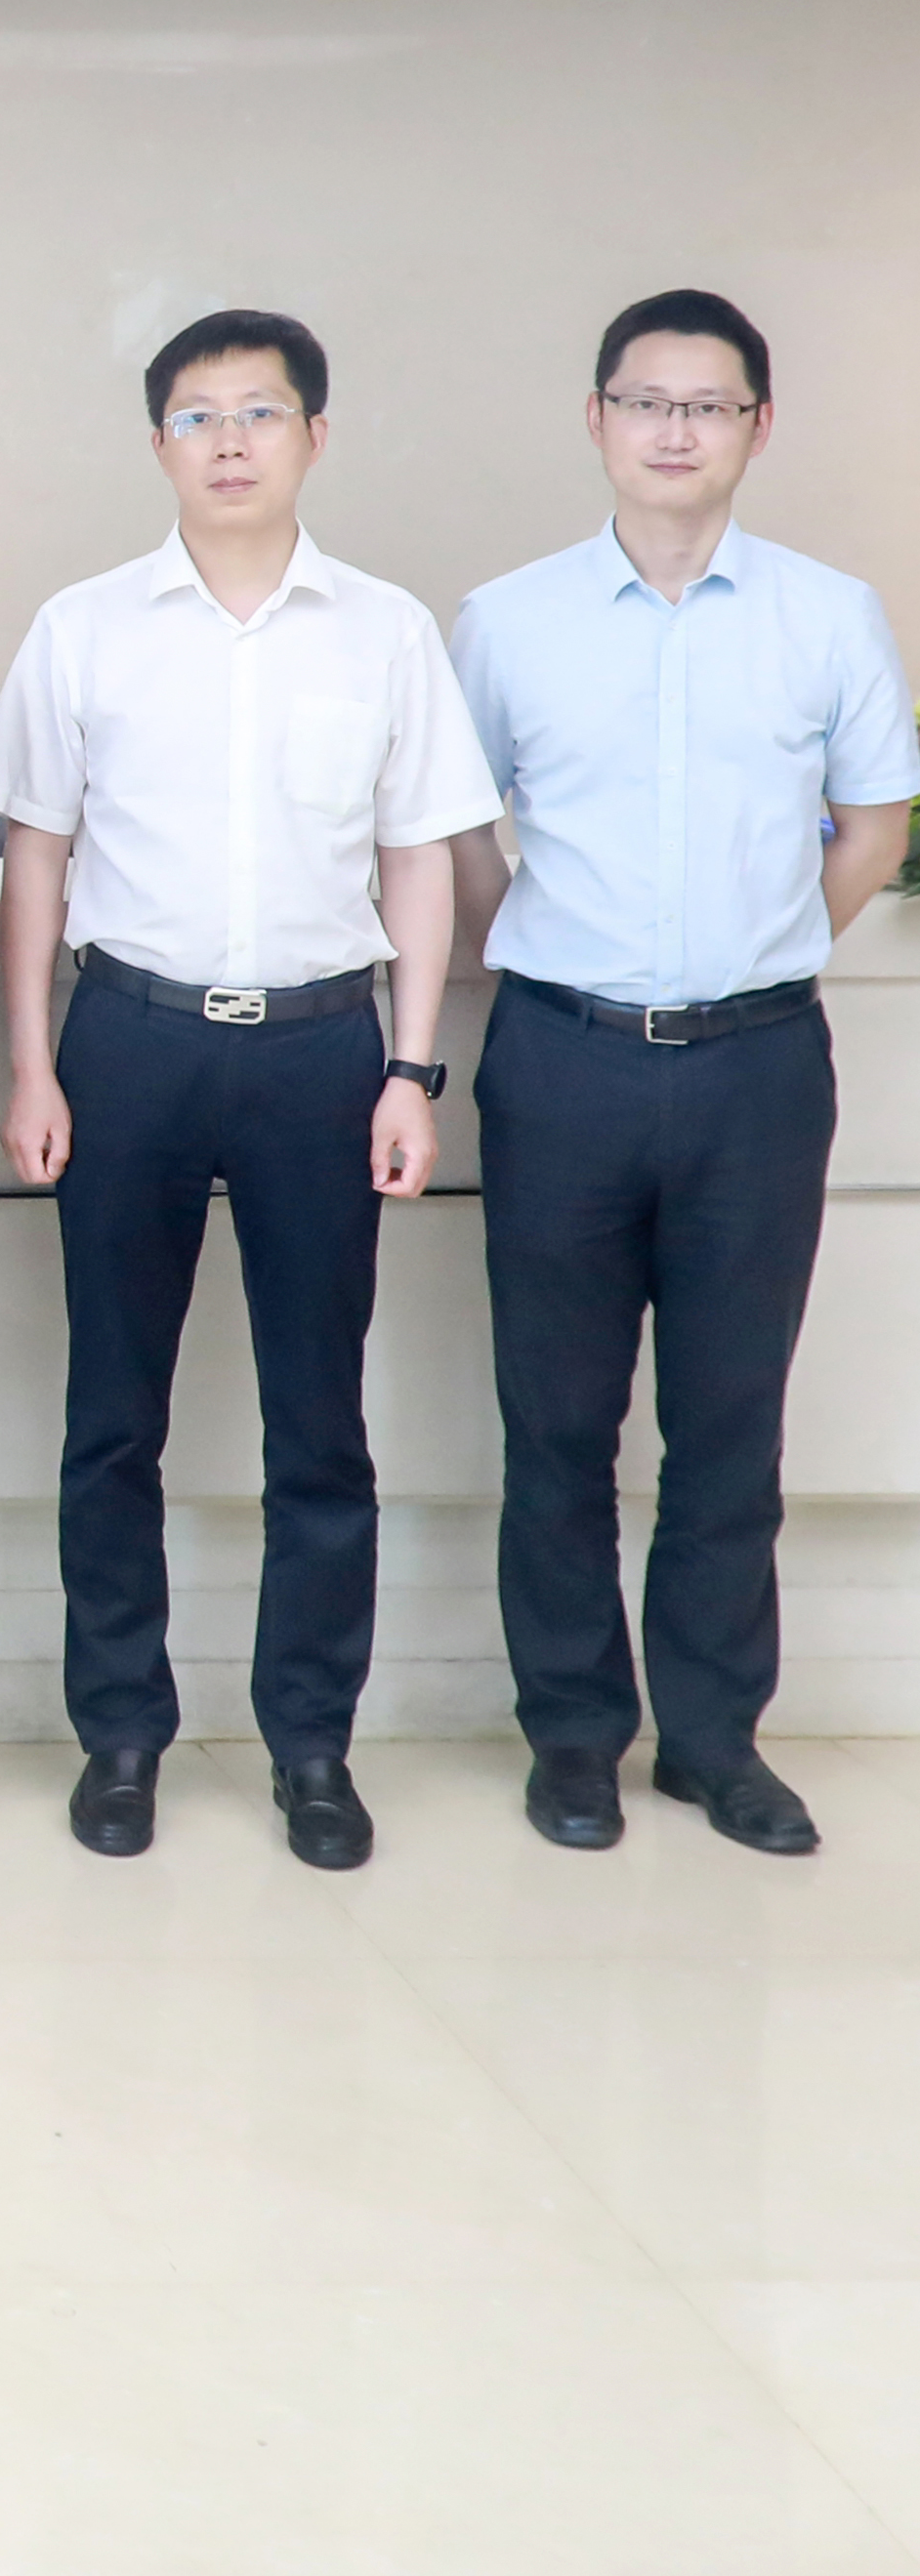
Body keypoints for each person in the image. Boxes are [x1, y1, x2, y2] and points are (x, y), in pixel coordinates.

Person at [0, 308, 499, 1871]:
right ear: (157, 443)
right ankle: (119, 1734)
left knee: (317, 1421)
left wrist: (410, 1067)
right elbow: (34, 857)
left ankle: (309, 1744)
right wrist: (30, 1060)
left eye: (258, 413)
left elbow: (417, 860)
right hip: (127, 1040)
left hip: (318, 1053)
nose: (227, 441)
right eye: (197, 416)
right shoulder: (81, 627)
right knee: (110, 1416)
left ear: (312, 437)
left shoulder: (384, 632)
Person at [448, 290, 912, 1858]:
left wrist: (769, 946)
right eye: (644, 401)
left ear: (755, 429)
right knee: (554, 1425)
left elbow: (872, 823)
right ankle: (572, 1736)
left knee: (727, 1425)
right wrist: (530, 944)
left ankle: (712, 1741)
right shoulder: (506, 619)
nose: (672, 430)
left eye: (705, 405)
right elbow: (454, 828)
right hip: (560, 1060)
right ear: (595, 419)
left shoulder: (827, 615)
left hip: (755, 1069)